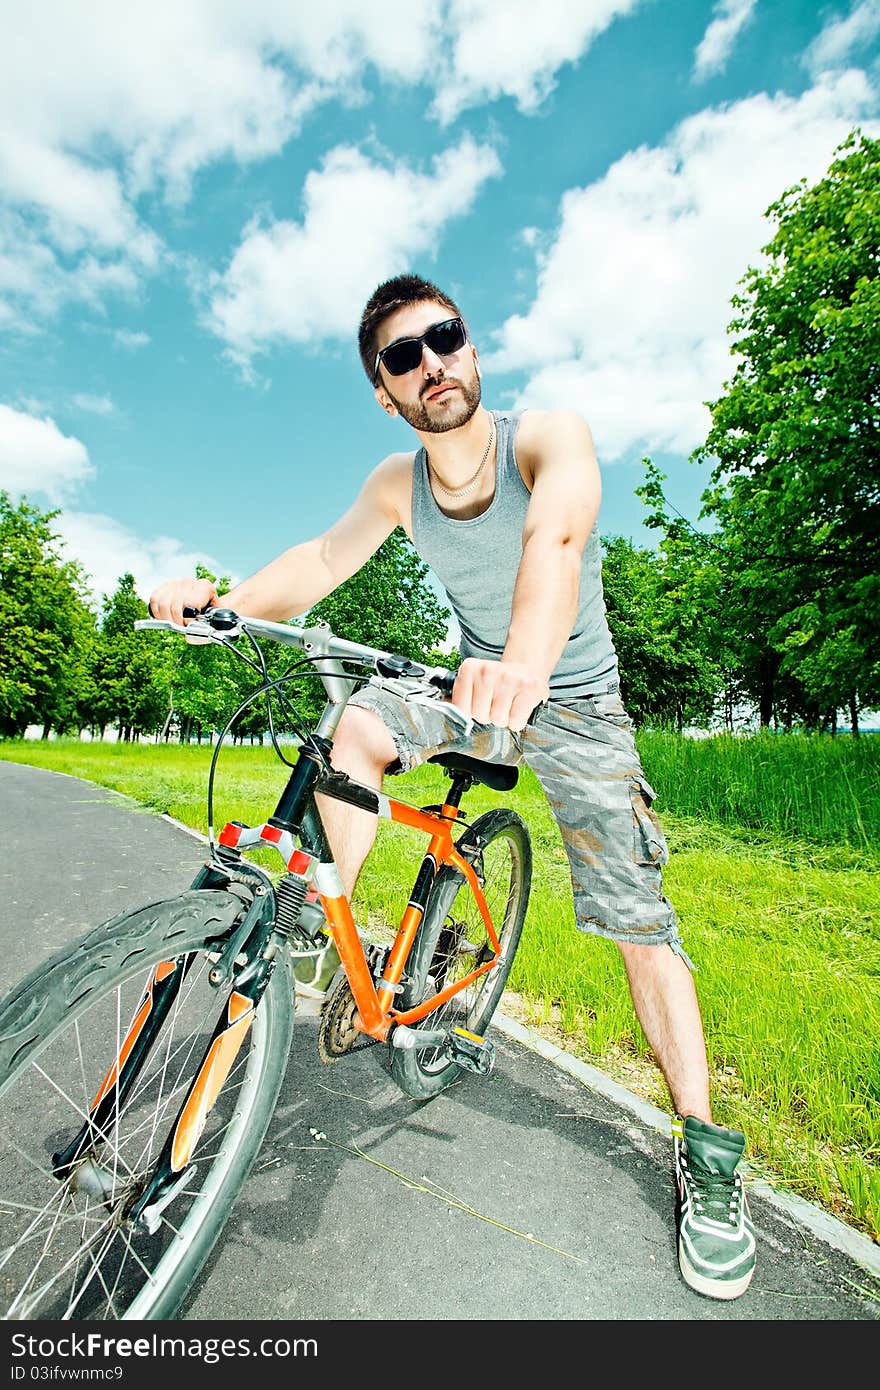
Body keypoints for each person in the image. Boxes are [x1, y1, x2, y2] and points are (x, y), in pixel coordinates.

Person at [149, 273, 756, 1302]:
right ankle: (325, 921)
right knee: (356, 725)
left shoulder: (547, 438)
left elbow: (551, 546)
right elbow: (322, 557)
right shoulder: (399, 482)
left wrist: (522, 662)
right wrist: (222, 605)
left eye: (446, 338)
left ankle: (704, 1150)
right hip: (467, 682)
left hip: (569, 699)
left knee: (637, 920)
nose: (432, 361)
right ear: (386, 393)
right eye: (403, 355)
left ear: (471, 351)